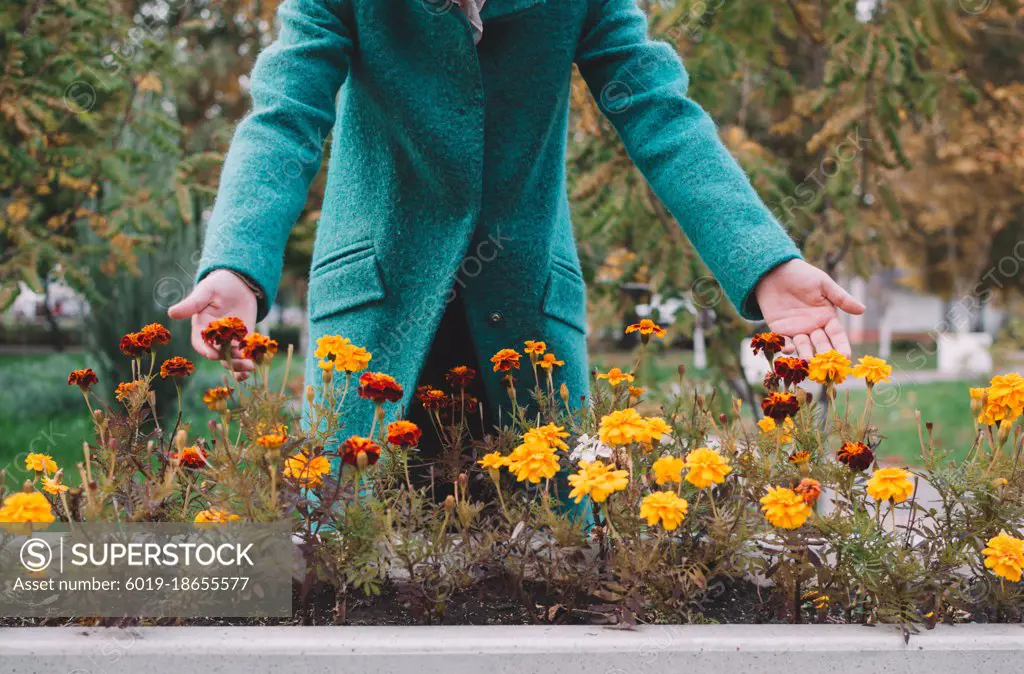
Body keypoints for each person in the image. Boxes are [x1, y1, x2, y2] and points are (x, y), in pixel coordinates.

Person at [169, 0, 865, 441]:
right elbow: (284, 117)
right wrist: (237, 264)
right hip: (375, 319)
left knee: (551, 573)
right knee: (351, 563)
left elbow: (661, 115)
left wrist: (766, 264)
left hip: (524, 324)